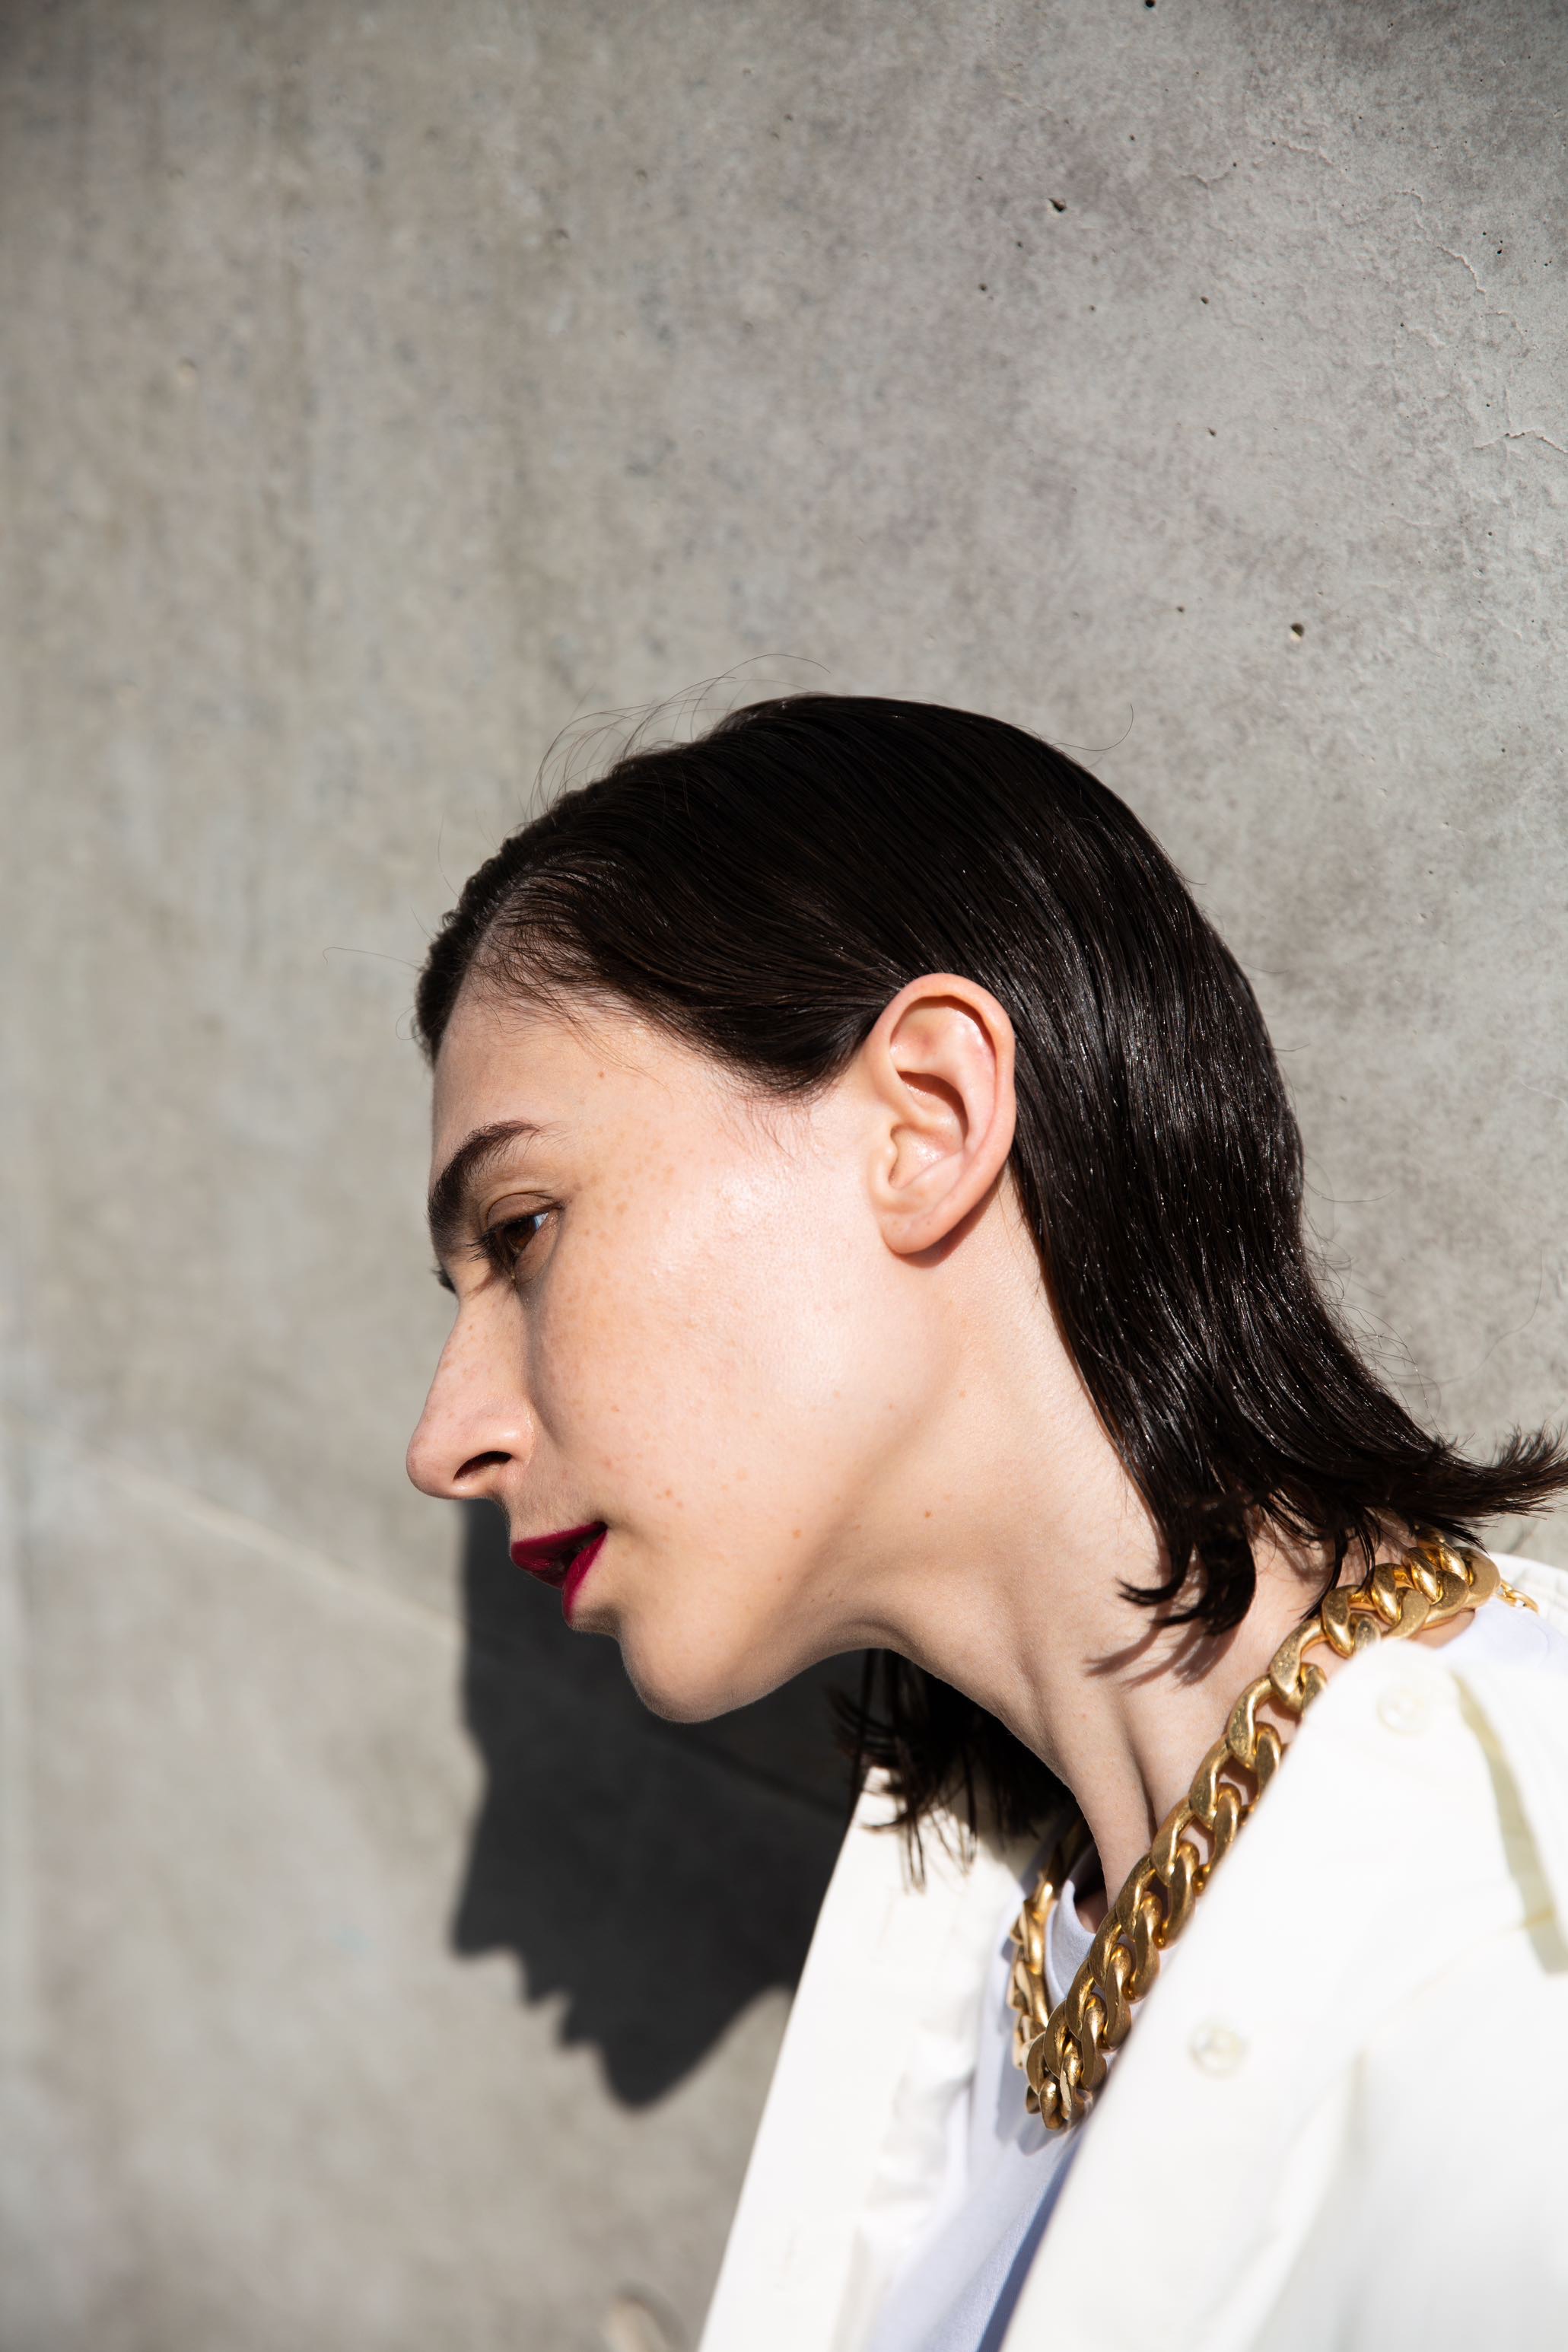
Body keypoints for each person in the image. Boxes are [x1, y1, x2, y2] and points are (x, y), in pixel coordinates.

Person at [406, 695, 1568, 2352]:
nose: (445, 1438)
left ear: (928, 1117)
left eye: (524, 1231)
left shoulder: (1515, 1966)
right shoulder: (991, 1959)